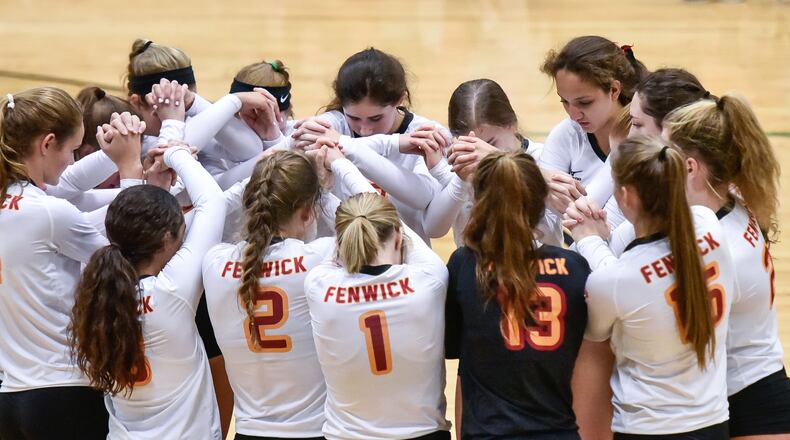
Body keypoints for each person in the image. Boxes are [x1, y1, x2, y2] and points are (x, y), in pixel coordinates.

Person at [201, 147, 374, 440]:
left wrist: (258, 177)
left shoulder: (214, 263)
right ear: (308, 211)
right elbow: (372, 220)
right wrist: (329, 183)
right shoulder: (319, 260)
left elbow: (213, 207)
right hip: (316, 432)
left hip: (247, 432)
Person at [0, 87, 143, 439]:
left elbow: (70, 197)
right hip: (63, 392)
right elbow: (124, 250)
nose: (71, 161)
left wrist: (118, 160)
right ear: (47, 143)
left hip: (12, 396)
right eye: (71, 150)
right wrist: (130, 167)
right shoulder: (49, 213)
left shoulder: (17, 201)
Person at [572, 135, 736, 437]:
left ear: (626, 196)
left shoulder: (612, 281)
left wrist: (589, 239)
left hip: (647, 428)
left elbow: (620, 287)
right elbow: (640, 276)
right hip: (714, 422)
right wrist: (596, 240)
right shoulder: (708, 223)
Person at [70, 137, 226, 438]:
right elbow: (213, 201)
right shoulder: (171, 292)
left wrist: (154, 186)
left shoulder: (94, 290)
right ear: (167, 239)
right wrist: (176, 152)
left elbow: (134, 222)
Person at [663, 95, 789, 438]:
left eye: (664, 155)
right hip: (750, 380)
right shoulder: (734, 199)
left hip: (747, 394)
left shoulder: (717, 245)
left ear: (690, 167)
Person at [445, 151, 590, 439]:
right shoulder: (575, 267)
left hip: (489, 432)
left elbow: (452, 349)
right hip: (558, 432)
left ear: (479, 203)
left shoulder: (464, 264)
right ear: (540, 203)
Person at [304, 192, 450, 439]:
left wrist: (324, 188)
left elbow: (338, 249)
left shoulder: (319, 286)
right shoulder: (428, 280)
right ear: (399, 237)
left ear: (339, 243)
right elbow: (408, 239)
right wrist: (339, 164)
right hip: (423, 434)